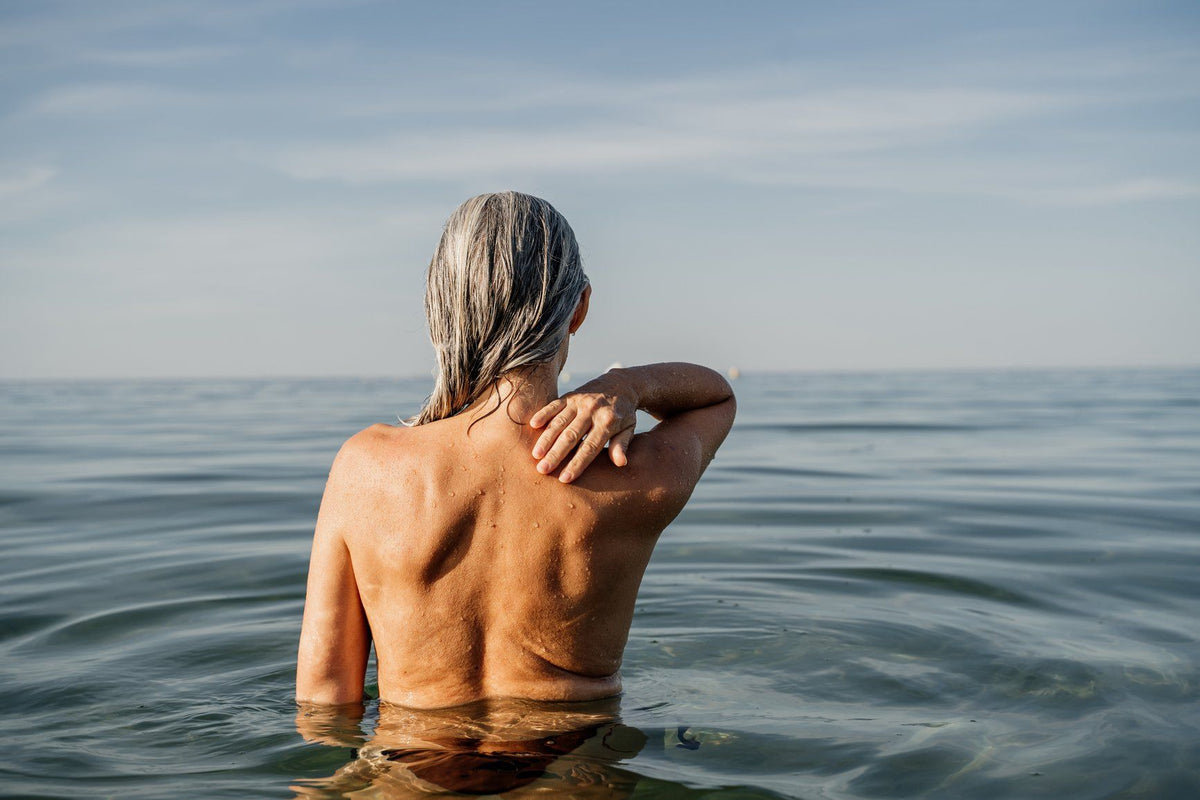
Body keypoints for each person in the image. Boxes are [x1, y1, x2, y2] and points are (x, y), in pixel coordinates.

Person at [296, 192, 735, 709]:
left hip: (414, 770)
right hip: (573, 768)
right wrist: (629, 384)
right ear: (580, 309)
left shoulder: (365, 469)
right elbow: (717, 397)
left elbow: (325, 693)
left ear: (441, 305)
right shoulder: (631, 473)